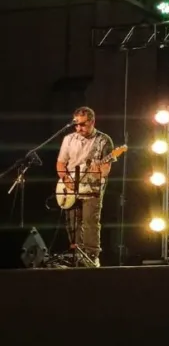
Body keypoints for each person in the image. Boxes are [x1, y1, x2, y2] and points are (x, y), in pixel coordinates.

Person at [55, 107, 115, 267]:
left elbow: (106, 168)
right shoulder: (69, 139)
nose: (79, 128)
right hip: (71, 186)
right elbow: (61, 163)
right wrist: (65, 178)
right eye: (76, 125)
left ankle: (91, 256)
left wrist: (99, 172)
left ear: (92, 122)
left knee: (90, 222)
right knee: (73, 223)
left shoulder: (104, 140)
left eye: (83, 125)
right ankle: (77, 255)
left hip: (92, 188)